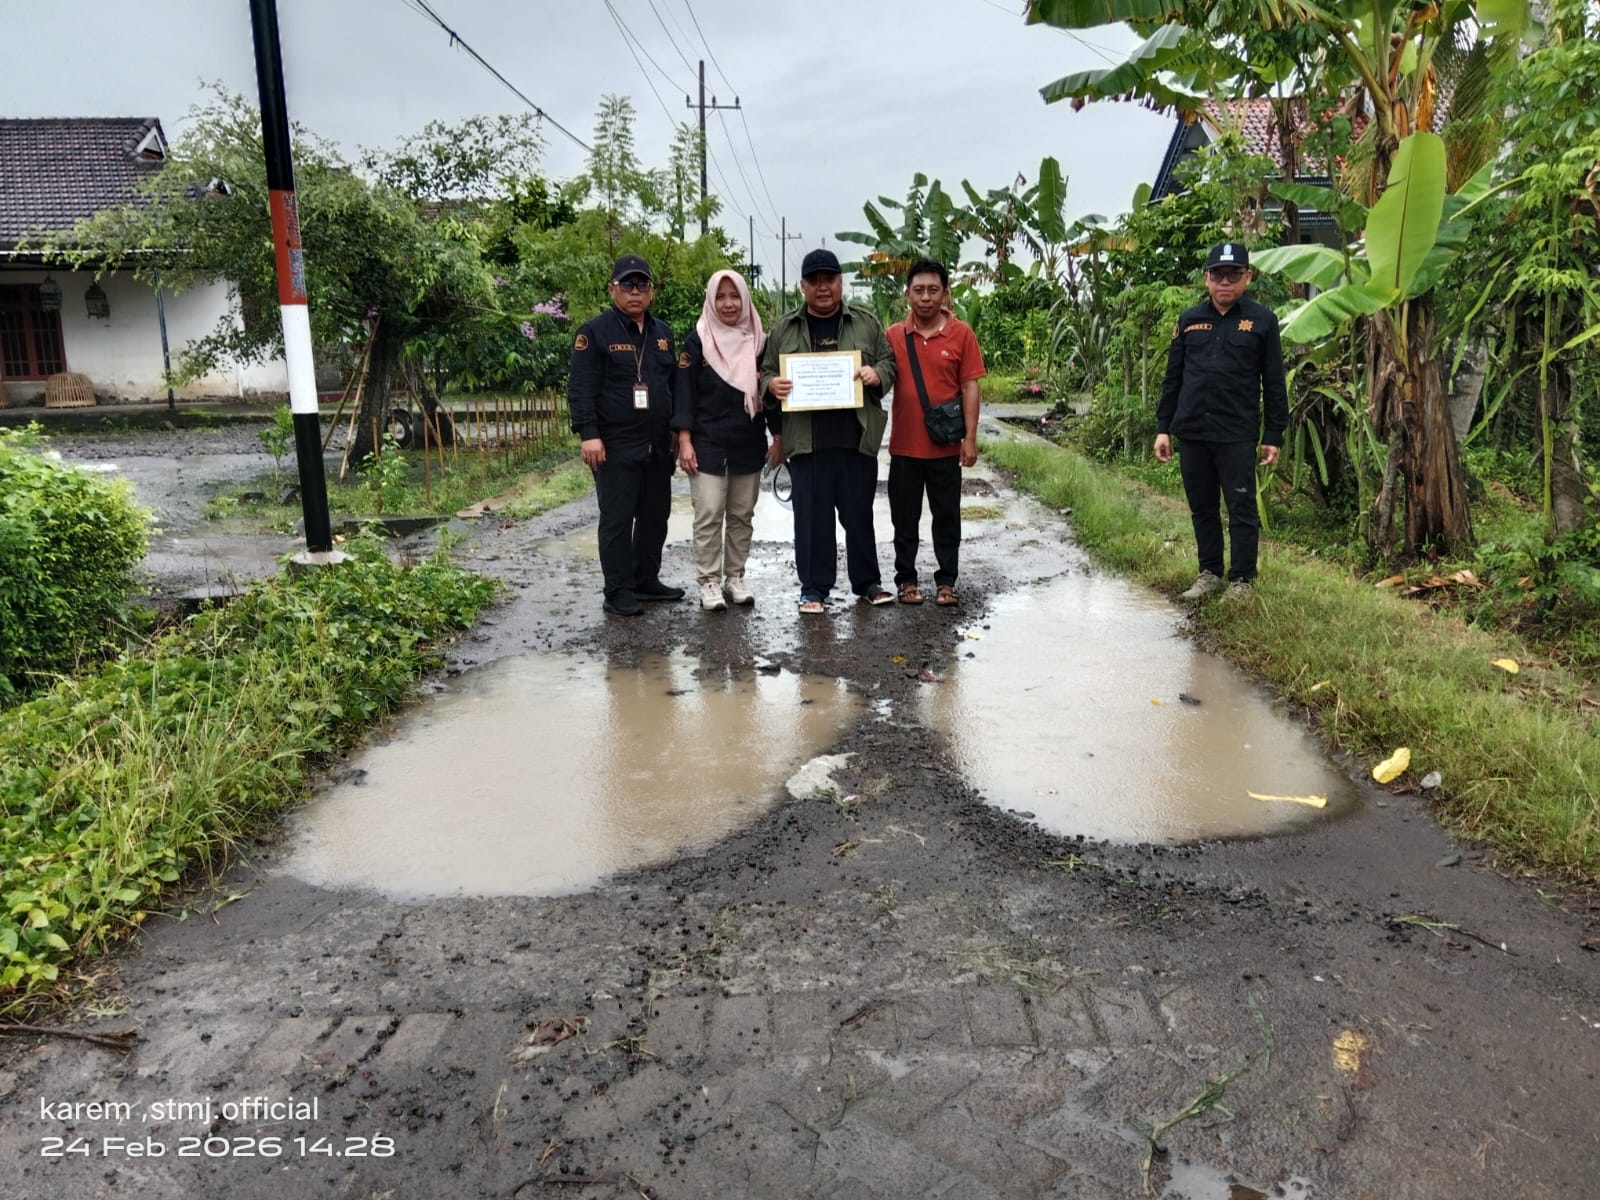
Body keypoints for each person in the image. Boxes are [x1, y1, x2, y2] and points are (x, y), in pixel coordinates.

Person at [759, 248, 896, 614]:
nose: (823, 288)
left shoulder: (865, 323)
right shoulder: (784, 328)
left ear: (840, 283)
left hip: (855, 439)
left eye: (829, 280)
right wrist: (771, 385)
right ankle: (814, 589)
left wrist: (876, 375)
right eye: (814, 281)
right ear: (803, 286)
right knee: (811, 521)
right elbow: (765, 371)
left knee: (859, 517)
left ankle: (867, 582)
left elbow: (888, 361)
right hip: (807, 442)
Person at [1154, 242, 1288, 603]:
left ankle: (1242, 580)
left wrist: (1273, 434)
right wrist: (1163, 427)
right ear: (1206, 278)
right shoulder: (1189, 320)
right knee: (1202, 508)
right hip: (1193, 430)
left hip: (1236, 434)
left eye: (1233, 274)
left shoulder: (1262, 321)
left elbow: (1273, 381)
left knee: (1241, 508)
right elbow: (1173, 378)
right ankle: (1210, 573)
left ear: (1247, 277)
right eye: (1217, 275)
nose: (1224, 282)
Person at [568, 254, 685, 616]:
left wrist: (678, 435)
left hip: (656, 444)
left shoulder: (663, 335)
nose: (635, 291)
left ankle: (645, 580)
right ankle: (617, 590)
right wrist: (589, 434)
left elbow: (674, 388)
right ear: (612, 289)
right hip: (615, 445)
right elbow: (582, 387)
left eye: (642, 284)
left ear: (651, 291)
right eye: (627, 284)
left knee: (655, 515)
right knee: (617, 520)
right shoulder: (594, 333)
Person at [673, 269, 783, 610]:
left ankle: (735, 576)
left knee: (741, 515)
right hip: (706, 442)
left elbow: (770, 392)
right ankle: (708, 580)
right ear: (711, 300)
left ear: (745, 299)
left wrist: (777, 436)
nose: (728, 303)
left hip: (747, 441)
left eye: (734, 296)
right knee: (708, 513)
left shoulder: (759, 341)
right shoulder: (698, 340)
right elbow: (684, 394)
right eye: (720, 296)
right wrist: (685, 441)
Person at [885, 258, 985, 607]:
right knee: (904, 519)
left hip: (945, 448)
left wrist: (970, 439)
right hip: (904, 448)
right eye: (918, 290)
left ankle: (947, 582)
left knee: (947, 517)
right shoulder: (894, 336)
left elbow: (970, 387)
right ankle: (906, 581)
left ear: (945, 293)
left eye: (933, 290)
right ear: (907, 294)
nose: (926, 297)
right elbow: (879, 377)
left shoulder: (962, 334)